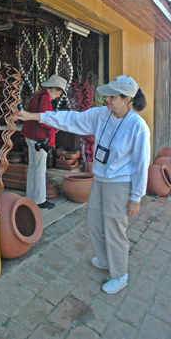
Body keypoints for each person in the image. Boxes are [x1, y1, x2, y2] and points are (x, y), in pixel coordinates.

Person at [17, 75, 150, 294]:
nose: (106, 99)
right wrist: (33, 116)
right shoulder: (101, 115)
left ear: (126, 99)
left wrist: (136, 197)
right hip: (99, 179)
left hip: (119, 184)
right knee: (94, 223)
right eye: (106, 95)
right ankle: (107, 260)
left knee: (115, 229)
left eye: (111, 96)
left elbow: (141, 164)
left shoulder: (138, 127)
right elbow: (69, 119)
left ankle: (120, 274)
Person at [20, 74, 67, 209]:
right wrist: (55, 127)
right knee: (40, 168)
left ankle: (31, 196)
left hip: (31, 135)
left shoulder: (38, 95)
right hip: (38, 137)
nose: (58, 96)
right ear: (54, 89)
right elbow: (45, 118)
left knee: (33, 167)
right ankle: (40, 199)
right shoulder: (45, 97)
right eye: (59, 92)